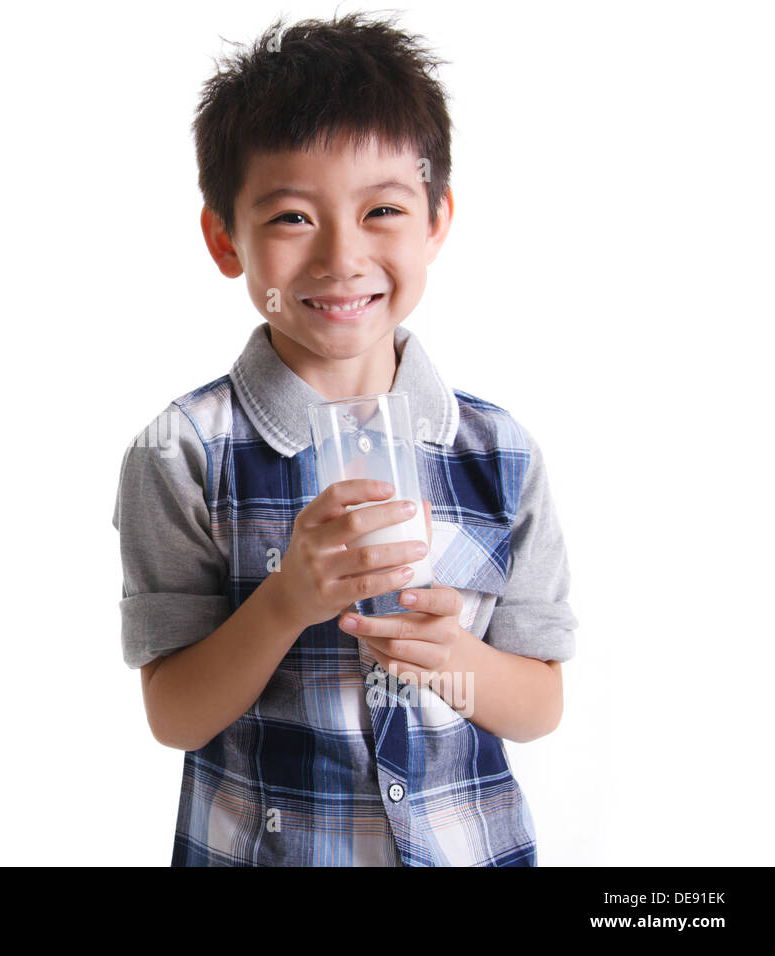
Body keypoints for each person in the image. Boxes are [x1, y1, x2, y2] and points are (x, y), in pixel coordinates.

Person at [111, 12, 578, 866]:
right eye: (292, 217)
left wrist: (454, 660)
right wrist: (287, 602)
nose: (342, 257)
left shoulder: (500, 452)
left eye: (384, 210)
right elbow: (174, 713)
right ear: (226, 238)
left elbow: (539, 705)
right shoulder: (180, 451)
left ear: (437, 221)